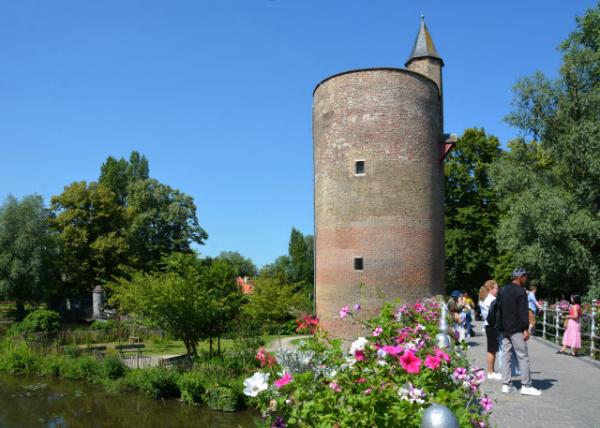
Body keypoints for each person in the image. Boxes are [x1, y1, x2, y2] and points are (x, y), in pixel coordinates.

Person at [497, 268, 542, 396]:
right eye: (525, 277)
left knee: (506, 356)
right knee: (522, 356)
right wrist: (525, 329)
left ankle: (506, 385)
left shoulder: (503, 290)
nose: (526, 279)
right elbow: (523, 312)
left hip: (504, 329)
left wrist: (499, 326)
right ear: (520, 277)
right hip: (517, 329)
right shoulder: (521, 292)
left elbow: (498, 309)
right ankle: (526, 385)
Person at [478, 280, 501, 380]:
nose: (498, 290)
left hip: (488, 325)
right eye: (496, 288)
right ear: (491, 289)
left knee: (492, 349)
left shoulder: (485, 298)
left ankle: (491, 370)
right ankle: (490, 372)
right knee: (492, 350)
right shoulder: (492, 300)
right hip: (492, 326)